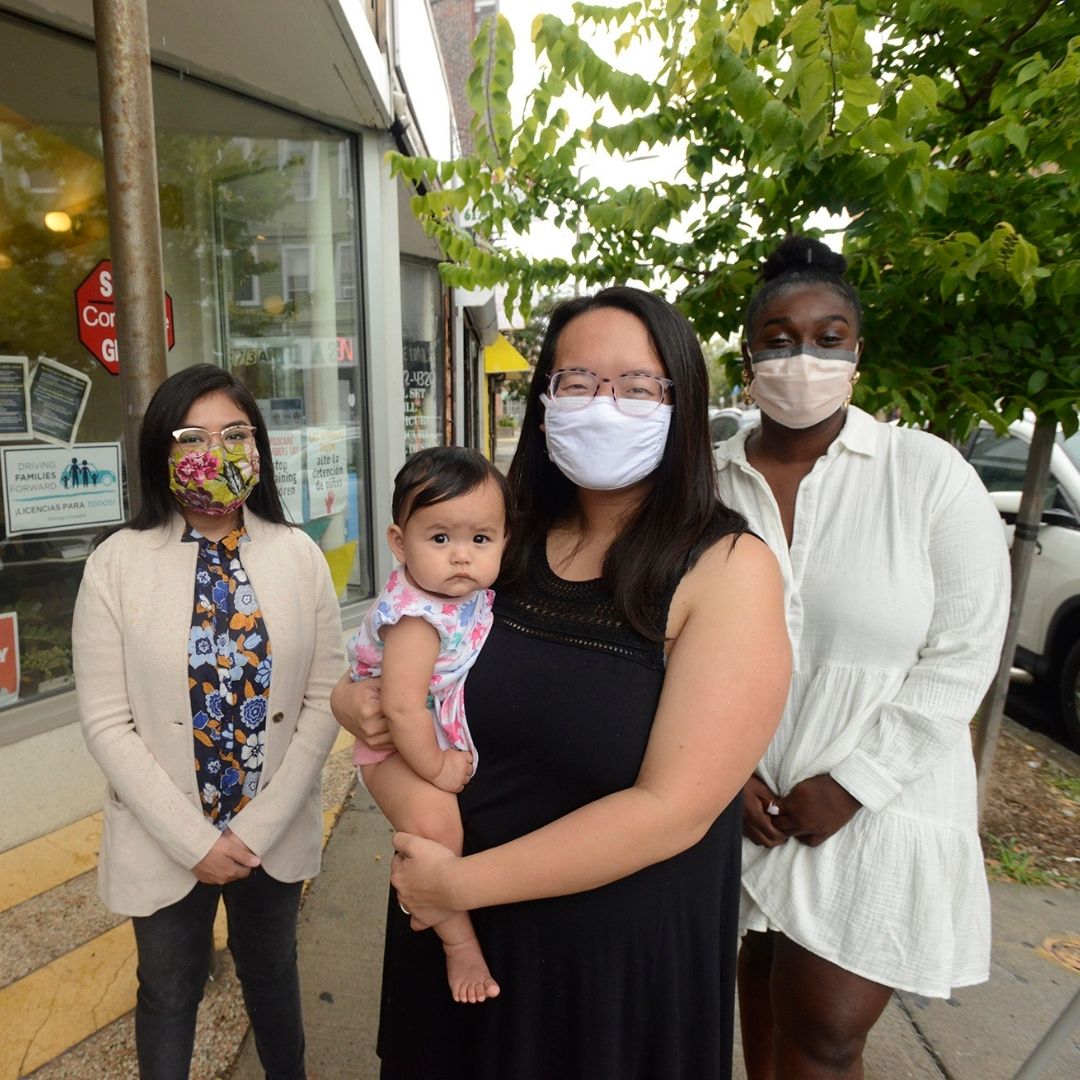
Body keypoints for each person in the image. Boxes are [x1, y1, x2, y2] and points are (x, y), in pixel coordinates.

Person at [335, 287, 791, 1079]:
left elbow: (672, 810)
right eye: (577, 382)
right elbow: (402, 659)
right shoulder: (495, 542)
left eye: (636, 386)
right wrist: (359, 702)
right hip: (452, 936)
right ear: (544, 401)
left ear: (680, 404)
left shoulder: (726, 570)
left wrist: (457, 886)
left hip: (600, 974)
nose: (603, 406)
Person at [715, 236, 1010, 1080]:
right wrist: (725, 775)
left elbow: (964, 652)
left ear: (857, 352)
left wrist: (851, 786)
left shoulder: (927, 474)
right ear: (748, 356)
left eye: (827, 336)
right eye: (777, 337)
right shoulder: (713, 483)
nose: (800, 356)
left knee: (826, 1032)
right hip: (749, 798)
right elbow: (680, 642)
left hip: (881, 799)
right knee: (764, 1001)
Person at [72, 364, 344, 1080]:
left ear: (259, 447)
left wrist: (253, 829)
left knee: (273, 977)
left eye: (235, 434)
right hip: (166, 835)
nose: (215, 452)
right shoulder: (115, 564)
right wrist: (195, 840)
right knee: (167, 992)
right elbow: (106, 721)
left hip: (269, 830)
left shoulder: (299, 555)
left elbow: (325, 696)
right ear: (160, 451)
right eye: (192, 436)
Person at [333, 446, 509, 1004]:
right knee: (437, 828)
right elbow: (403, 708)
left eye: (480, 540)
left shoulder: (467, 595)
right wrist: (435, 768)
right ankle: (459, 943)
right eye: (440, 539)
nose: (461, 557)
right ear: (398, 541)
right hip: (395, 749)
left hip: (423, 734)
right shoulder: (416, 619)